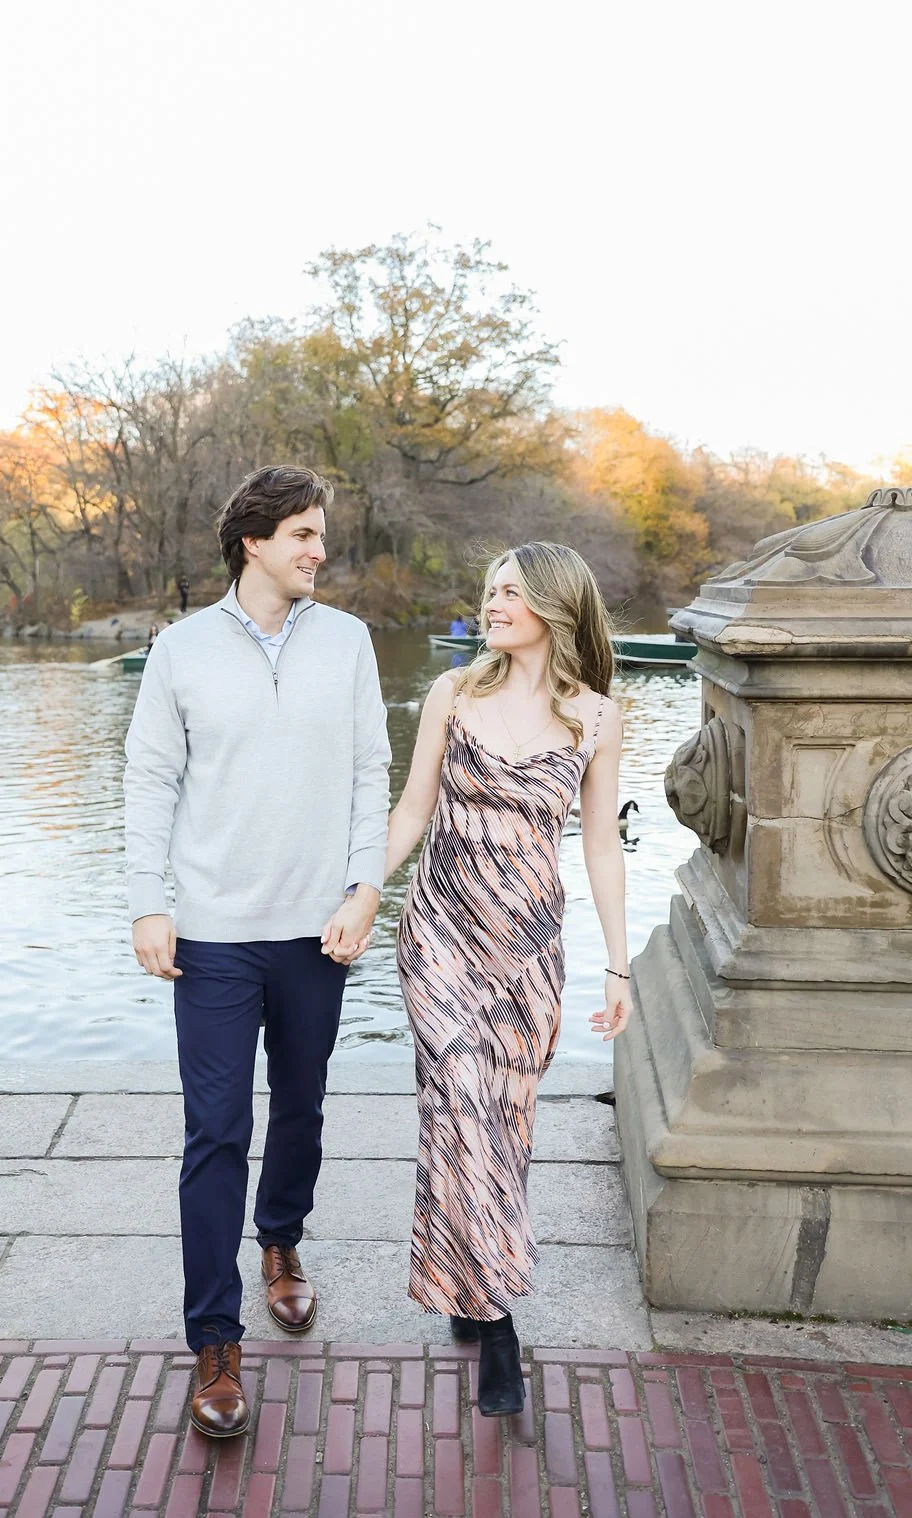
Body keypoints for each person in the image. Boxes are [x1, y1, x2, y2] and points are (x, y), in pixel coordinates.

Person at [124, 465, 390, 1439]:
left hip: (319, 927)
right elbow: (149, 779)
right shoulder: (182, 652)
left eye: (321, 535)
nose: (319, 551)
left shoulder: (350, 643)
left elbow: (373, 773)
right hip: (213, 934)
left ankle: (280, 1241)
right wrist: (148, 903)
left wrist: (366, 890)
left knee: (306, 1104)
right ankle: (213, 1340)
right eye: (303, 536)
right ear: (253, 542)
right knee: (217, 1128)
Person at [385, 541, 631, 1417]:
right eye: (489, 588)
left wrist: (618, 963)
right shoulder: (454, 693)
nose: (492, 603)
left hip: (528, 949)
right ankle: (496, 1326)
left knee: (503, 1121)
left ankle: (463, 1270)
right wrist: (355, 891)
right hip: (441, 933)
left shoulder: (598, 717)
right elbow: (414, 807)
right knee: (459, 1099)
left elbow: (600, 843)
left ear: (555, 608)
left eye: (511, 592)